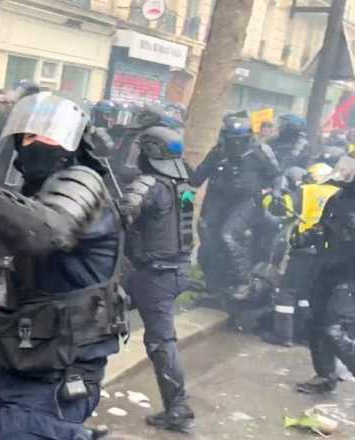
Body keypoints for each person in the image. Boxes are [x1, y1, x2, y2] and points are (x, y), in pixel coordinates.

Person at [0, 92, 127, 439]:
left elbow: (48, 231)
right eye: (26, 136)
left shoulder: (85, 185)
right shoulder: (32, 193)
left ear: (72, 142)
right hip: (15, 363)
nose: (34, 144)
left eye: (46, 135)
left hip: (58, 373)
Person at [118, 126, 196, 432]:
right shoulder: (183, 185)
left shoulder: (150, 184)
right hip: (175, 270)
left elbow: (122, 213)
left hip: (155, 275)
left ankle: (178, 408)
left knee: (161, 341)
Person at [193, 114, 280, 302]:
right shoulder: (217, 153)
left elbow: (275, 176)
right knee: (208, 241)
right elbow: (196, 178)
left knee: (229, 235)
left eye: (240, 140)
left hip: (247, 202)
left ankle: (244, 281)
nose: (236, 145)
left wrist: (277, 193)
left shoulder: (260, 153)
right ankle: (214, 285)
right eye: (232, 140)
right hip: (217, 202)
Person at [295, 154, 355, 394]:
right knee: (315, 320)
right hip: (329, 268)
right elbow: (324, 225)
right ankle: (325, 376)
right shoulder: (338, 197)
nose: (347, 171)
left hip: (351, 274)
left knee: (334, 328)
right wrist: (307, 236)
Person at [265, 163, 339, 348]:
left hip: (305, 248)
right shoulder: (339, 193)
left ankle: (283, 335)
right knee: (307, 293)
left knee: (287, 291)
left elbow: (279, 208)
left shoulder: (306, 190)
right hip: (327, 252)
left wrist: (269, 196)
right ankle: (305, 334)